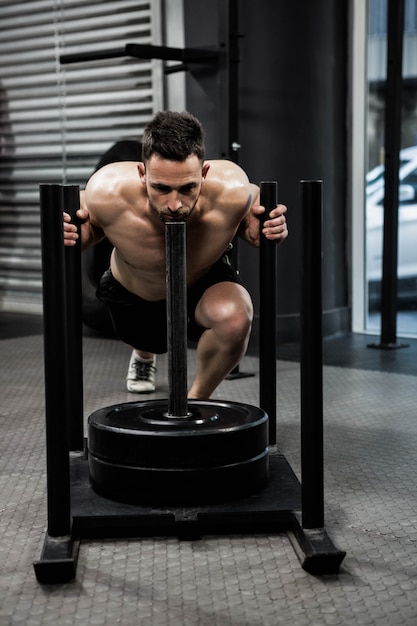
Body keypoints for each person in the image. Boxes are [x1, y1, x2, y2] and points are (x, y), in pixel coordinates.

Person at [63, 110, 288, 398]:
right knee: (146, 338)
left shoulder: (231, 189)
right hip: (133, 293)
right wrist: (76, 234)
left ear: (204, 174)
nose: (174, 204)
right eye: (161, 188)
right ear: (142, 174)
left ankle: (194, 400)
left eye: (187, 188)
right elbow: (86, 222)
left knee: (235, 318)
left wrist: (265, 226)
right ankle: (144, 355)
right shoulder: (108, 190)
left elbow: (253, 202)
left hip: (200, 284)